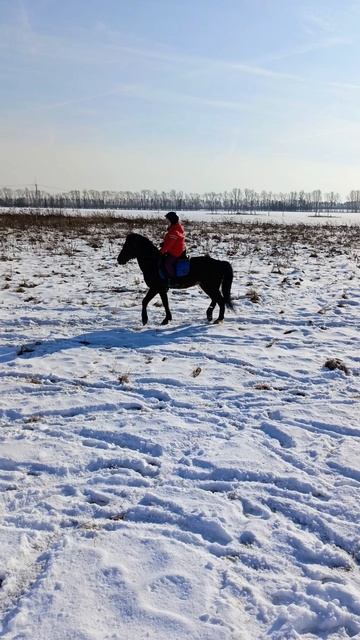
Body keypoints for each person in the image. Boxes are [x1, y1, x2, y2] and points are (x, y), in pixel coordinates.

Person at [160, 212, 186, 279]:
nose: (167, 222)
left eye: (168, 220)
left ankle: (174, 279)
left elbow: (169, 245)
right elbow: (170, 242)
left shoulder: (174, 231)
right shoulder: (174, 228)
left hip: (175, 252)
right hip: (175, 249)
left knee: (168, 263)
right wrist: (164, 244)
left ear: (172, 221)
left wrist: (161, 252)